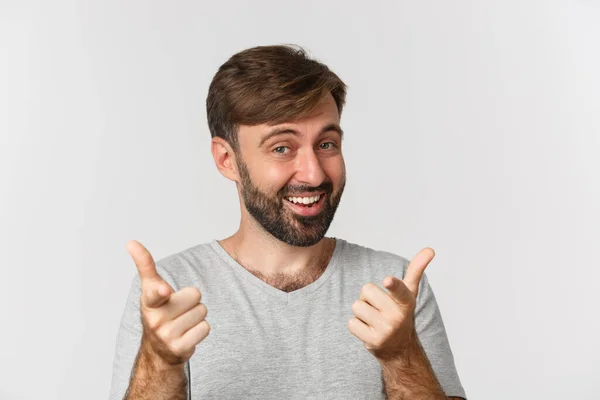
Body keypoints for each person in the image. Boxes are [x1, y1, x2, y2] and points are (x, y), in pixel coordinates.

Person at [109, 44, 467, 400]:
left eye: (327, 144)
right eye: (282, 148)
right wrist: (160, 362)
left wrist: (401, 355)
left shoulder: (394, 289)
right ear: (226, 159)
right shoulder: (172, 289)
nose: (313, 174)